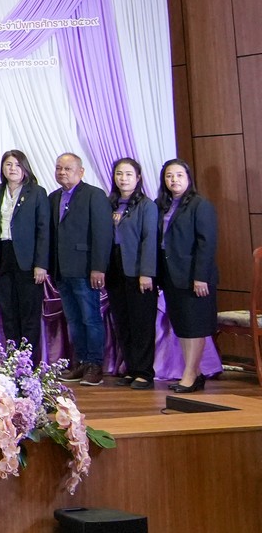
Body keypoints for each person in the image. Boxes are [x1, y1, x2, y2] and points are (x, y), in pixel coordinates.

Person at [45, 153, 112, 386]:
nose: (62, 172)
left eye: (68, 168)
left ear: (81, 172)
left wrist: (98, 267)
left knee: (90, 318)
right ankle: (81, 362)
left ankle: (95, 365)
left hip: (86, 269)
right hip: (62, 270)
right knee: (73, 320)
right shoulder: (53, 197)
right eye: (59, 168)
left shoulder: (94, 195)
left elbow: (102, 234)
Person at [154, 159, 218, 393]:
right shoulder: (161, 205)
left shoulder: (200, 205)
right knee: (182, 326)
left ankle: (189, 375)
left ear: (188, 178)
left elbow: (206, 244)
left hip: (194, 277)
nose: (174, 180)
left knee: (195, 326)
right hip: (171, 275)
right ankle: (195, 373)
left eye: (179, 175)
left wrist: (200, 277)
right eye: (169, 176)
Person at [0, 150, 52, 362]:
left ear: (25, 168)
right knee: (7, 312)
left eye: (17, 165)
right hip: (2, 256)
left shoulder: (36, 192)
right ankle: (12, 360)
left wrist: (41, 264)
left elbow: (44, 230)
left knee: (29, 313)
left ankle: (28, 362)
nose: (12, 169)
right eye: (8, 164)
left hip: (28, 260)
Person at [106, 157, 159, 389]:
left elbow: (150, 240)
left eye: (128, 174)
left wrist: (146, 272)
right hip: (114, 268)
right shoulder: (109, 203)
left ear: (138, 178)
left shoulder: (146, 205)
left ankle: (144, 372)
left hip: (138, 269)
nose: (123, 178)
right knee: (123, 322)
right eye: (119, 173)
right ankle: (131, 368)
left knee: (141, 323)